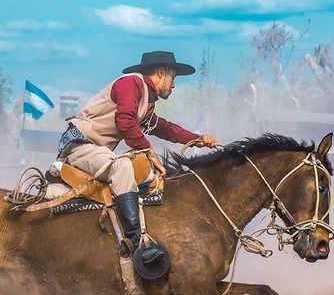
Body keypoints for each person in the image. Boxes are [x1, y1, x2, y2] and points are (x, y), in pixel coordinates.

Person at [57, 50, 219, 261]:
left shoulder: (145, 99)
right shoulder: (130, 84)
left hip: (95, 150)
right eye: (173, 78)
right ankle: (137, 244)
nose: (174, 85)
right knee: (122, 166)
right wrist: (149, 151)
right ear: (161, 72)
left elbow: (164, 128)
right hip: (79, 147)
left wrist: (197, 138)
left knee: (145, 170)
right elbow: (124, 122)